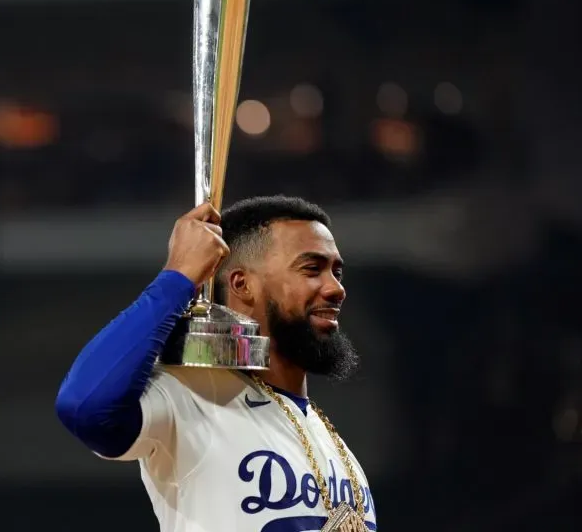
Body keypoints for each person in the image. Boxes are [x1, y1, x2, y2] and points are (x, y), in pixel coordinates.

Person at [55, 195, 377, 532]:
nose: (336, 288)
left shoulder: (334, 444)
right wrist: (176, 278)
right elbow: (85, 407)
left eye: (336, 272)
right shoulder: (195, 399)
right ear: (242, 284)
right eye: (312, 269)